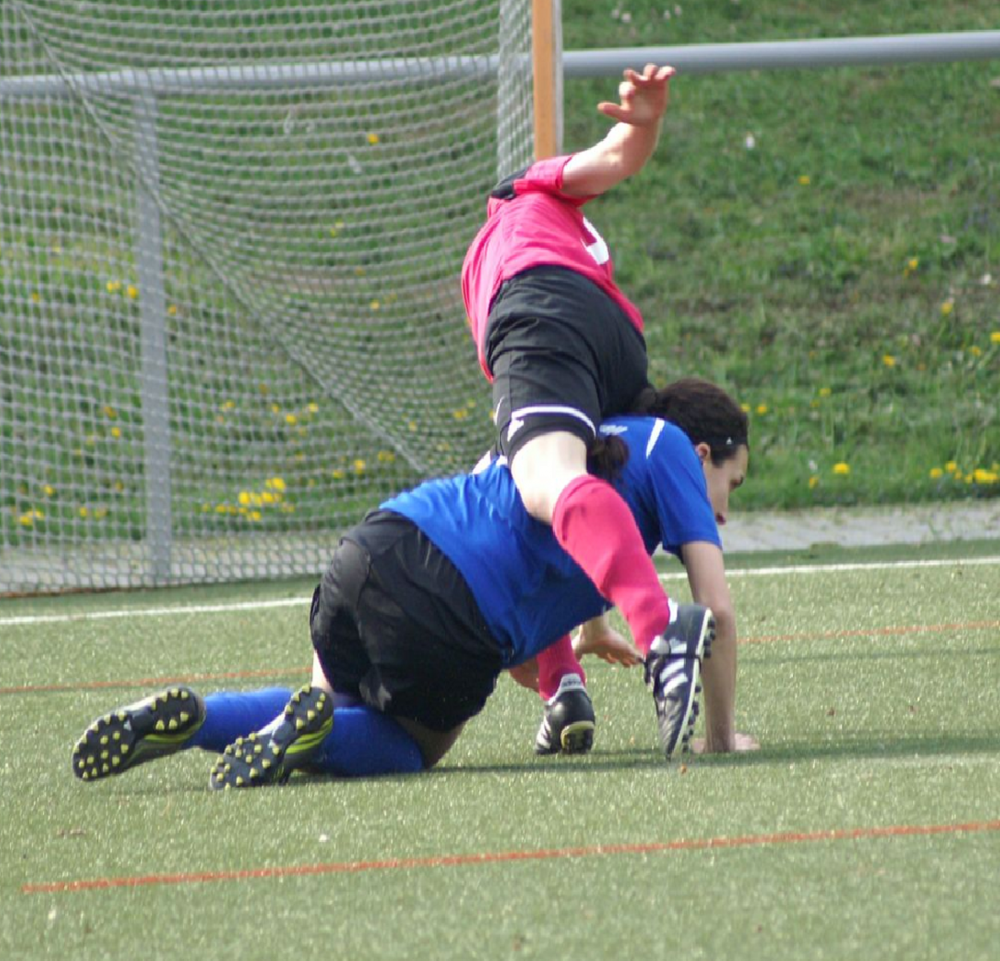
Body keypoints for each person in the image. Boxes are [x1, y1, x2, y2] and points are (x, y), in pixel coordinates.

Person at [71, 378, 756, 789]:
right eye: (733, 481)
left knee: (327, 707)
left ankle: (202, 720)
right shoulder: (670, 448)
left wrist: (571, 662)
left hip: (373, 547)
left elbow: (539, 577)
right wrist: (719, 740)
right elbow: (715, 611)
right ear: (705, 453)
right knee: (411, 748)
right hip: (448, 607)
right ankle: (286, 732)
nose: (724, 509)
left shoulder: (564, 430)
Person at [462, 63, 692, 754]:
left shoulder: (514, 205)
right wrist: (646, 121)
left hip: (541, 302)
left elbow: (609, 156)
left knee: (530, 489)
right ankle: (563, 686)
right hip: (614, 341)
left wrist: (640, 125)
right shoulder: (566, 222)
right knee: (533, 481)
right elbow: (620, 155)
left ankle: (661, 631)